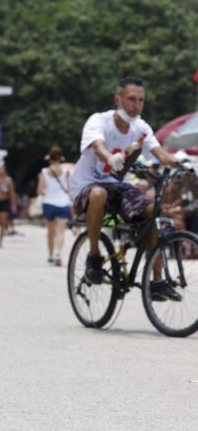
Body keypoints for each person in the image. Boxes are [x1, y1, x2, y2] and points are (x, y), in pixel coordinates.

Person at [71, 76, 180, 300]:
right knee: (99, 193)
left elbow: (160, 153)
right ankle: (94, 255)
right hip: (87, 185)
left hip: (118, 186)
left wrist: (181, 163)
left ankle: (157, 281)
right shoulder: (99, 121)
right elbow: (98, 145)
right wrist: (110, 158)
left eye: (141, 100)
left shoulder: (140, 127)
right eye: (131, 99)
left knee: (152, 211)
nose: (136, 104)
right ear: (117, 99)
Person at [36, 146, 72, 266]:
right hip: (63, 203)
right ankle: (58, 254)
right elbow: (68, 188)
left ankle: (50, 257)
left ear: (49, 159)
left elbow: (40, 190)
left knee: (50, 233)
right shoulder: (66, 171)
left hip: (49, 203)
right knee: (61, 232)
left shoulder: (44, 172)